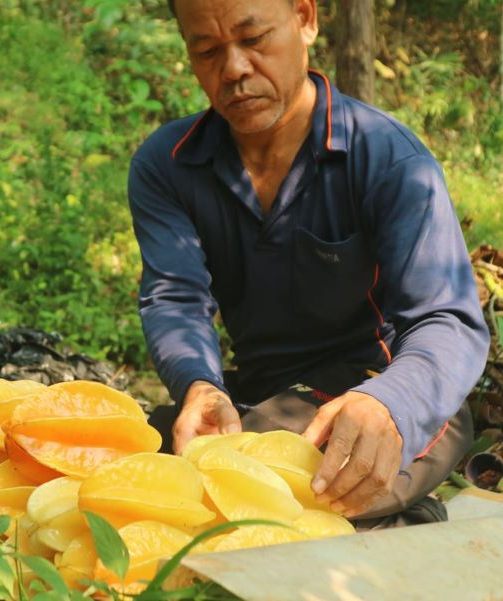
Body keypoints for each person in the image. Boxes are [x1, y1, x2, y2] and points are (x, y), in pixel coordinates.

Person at [128, 0, 490, 524]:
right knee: (140, 457)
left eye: (253, 40)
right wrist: (198, 385)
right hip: (261, 391)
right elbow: (175, 298)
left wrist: (389, 405)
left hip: (384, 385)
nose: (233, 70)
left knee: (279, 482)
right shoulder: (168, 164)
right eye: (206, 50)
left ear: (305, 19)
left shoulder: (388, 158)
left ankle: (400, 513)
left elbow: (448, 320)